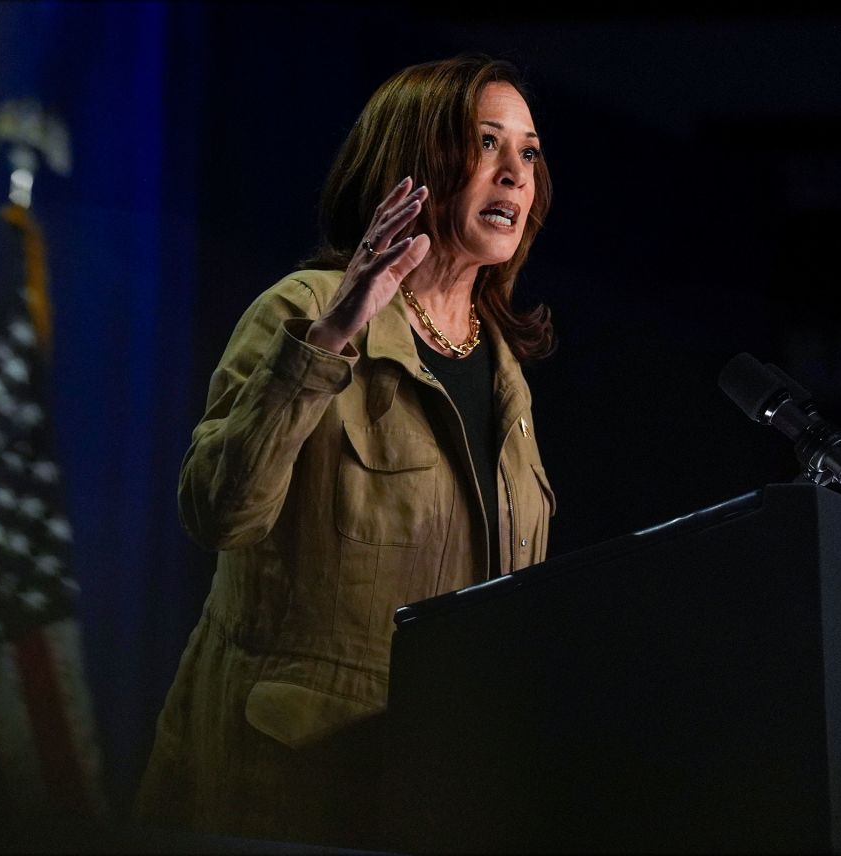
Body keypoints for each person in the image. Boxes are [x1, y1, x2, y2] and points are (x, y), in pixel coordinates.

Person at [134, 54, 557, 848]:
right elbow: (218, 510)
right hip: (286, 786)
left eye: (528, 152)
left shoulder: (505, 370)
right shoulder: (303, 311)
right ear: (416, 160)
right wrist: (333, 337)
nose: (513, 173)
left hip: (442, 791)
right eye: (486, 143)